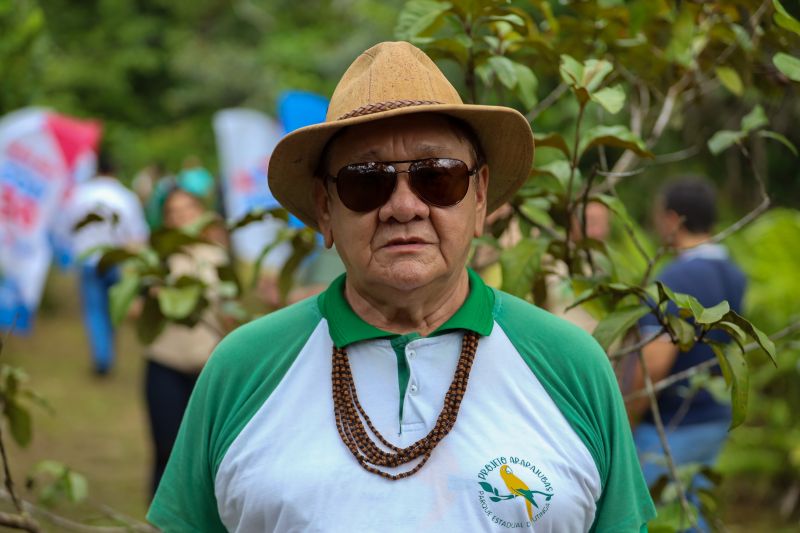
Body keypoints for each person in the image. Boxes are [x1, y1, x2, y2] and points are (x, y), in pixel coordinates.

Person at [148, 41, 655, 532]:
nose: (404, 206)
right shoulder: (244, 367)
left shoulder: (570, 363)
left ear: (479, 200)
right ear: (325, 210)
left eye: (438, 177)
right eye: (366, 181)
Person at [628, 179, 747, 493]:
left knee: (651, 515)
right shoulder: (734, 273)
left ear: (672, 219)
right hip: (714, 417)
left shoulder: (674, 279)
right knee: (690, 512)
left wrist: (625, 420)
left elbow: (654, 365)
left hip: (671, 425)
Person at [143, 182, 231, 495]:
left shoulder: (217, 256)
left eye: (188, 209)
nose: (181, 217)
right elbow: (136, 311)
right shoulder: (157, 258)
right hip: (165, 360)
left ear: (201, 213)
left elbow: (230, 307)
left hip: (206, 365)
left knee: (206, 453)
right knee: (165, 448)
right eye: (173, 212)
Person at [64, 155, 148, 375]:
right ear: (115, 171)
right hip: (116, 261)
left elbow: (67, 226)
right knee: (114, 307)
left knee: (95, 310)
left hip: (89, 260)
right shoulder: (125, 197)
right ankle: (106, 353)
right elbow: (139, 234)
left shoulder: (81, 195)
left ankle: (102, 356)